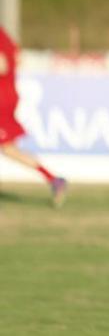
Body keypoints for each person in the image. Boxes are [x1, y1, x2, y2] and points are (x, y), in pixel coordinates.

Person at [0, 26, 67, 207]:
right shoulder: (4, 35)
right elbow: (19, 59)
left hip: (2, 99)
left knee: (8, 148)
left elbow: (3, 65)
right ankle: (53, 179)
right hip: (8, 94)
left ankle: (54, 179)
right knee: (8, 149)